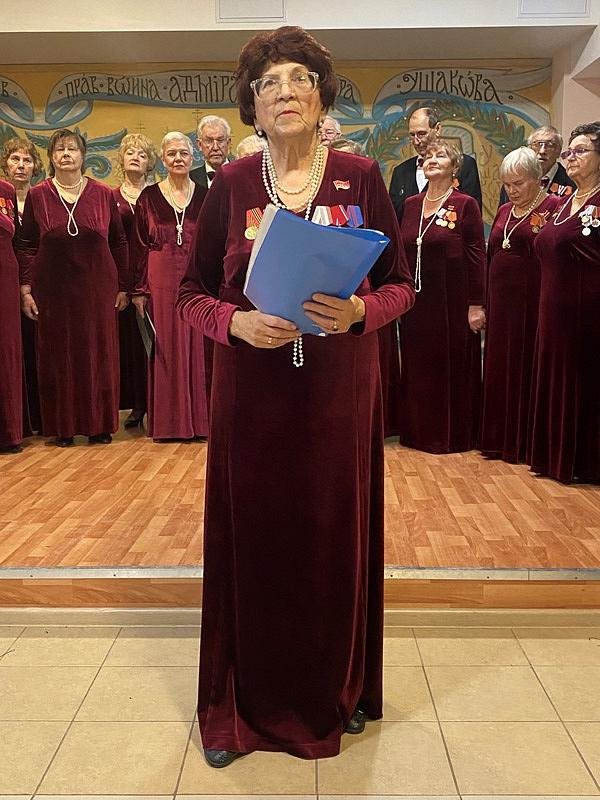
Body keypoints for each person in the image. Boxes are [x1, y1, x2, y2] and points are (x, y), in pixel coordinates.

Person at [177, 25, 414, 766]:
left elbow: (403, 286)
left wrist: (360, 311)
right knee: (258, 540)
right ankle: (244, 705)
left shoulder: (361, 175)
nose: (285, 91)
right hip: (253, 399)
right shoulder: (231, 185)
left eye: (300, 79)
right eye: (269, 82)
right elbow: (189, 293)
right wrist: (234, 323)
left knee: (329, 540)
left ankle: (333, 691)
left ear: (321, 96)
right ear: (251, 104)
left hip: (338, 397)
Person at [17, 128, 128, 447]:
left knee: (98, 353)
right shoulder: (38, 195)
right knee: (58, 355)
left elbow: (119, 241)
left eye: (72, 149)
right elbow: (26, 244)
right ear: (51, 157)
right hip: (53, 290)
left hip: (98, 288)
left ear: (83, 155)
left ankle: (99, 425)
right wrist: (26, 289)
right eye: (59, 149)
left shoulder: (103, 193)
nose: (66, 154)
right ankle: (62, 427)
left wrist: (123, 286)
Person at [398, 139, 486, 453]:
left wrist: (476, 304)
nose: (432, 159)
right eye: (428, 156)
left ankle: (452, 435)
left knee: (449, 367)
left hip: (453, 301)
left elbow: (476, 255)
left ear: (455, 167)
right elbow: (401, 253)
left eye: (441, 156)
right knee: (418, 366)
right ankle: (418, 433)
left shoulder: (465, 204)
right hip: (416, 302)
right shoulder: (411, 204)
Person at [528, 121, 600, 483]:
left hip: (589, 315)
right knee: (557, 382)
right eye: (569, 151)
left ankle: (585, 462)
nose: (570, 157)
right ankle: (556, 459)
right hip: (553, 312)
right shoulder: (562, 201)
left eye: (580, 151)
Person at [480, 147, 560, 463]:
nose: (512, 190)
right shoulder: (503, 211)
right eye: (507, 184)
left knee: (528, 368)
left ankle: (525, 444)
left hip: (533, 305)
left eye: (519, 183)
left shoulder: (554, 207)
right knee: (501, 369)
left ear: (537, 178)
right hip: (501, 306)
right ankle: (499, 441)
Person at [131, 132, 209, 441]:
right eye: (172, 153)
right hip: (159, 281)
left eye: (183, 153)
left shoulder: (205, 195)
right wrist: (139, 290)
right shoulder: (148, 197)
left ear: (193, 158)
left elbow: (214, 242)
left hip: (196, 280)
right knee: (165, 347)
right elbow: (138, 246)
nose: (178, 158)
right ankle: (168, 424)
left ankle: (199, 422)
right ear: (163, 159)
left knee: (197, 346)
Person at [113, 133, 159, 429]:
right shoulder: (110, 197)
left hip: (149, 278)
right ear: (121, 158)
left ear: (150, 162)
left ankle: (155, 401)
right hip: (121, 278)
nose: (135, 157)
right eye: (130, 152)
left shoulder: (157, 196)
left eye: (142, 154)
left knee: (151, 341)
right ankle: (136, 404)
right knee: (128, 344)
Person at [1, 138, 45, 434]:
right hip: (6, 282)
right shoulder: (3, 196)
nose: (20, 165)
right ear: (6, 164)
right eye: (15, 159)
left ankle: (38, 417)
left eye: (27, 160)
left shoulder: (42, 198)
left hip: (37, 281)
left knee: (34, 348)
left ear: (35, 166)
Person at [388, 106, 482, 223]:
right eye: (412, 135)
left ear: (437, 129)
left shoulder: (464, 164)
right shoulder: (400, 172)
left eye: (422, 134)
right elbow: (392, 219)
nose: (416, 141)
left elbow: (473, 217)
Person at [0, 178, 23, 454]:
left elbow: (17, 240)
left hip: (5, 276)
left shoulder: (6, 190)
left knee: (5, 350)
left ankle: (8, 430)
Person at [498, 126, 576, 206]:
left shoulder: (572, 183)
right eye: (537, 145)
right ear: (529, 148)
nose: (542, 151)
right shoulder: (513, 181)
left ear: (559, 150)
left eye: (549, 145)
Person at [189, 115, 232, 188]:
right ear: (199, 145)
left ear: (228, 143)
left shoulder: (242, 174)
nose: (215, 147)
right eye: (209, 141)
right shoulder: (190, 179)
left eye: (220, 140)